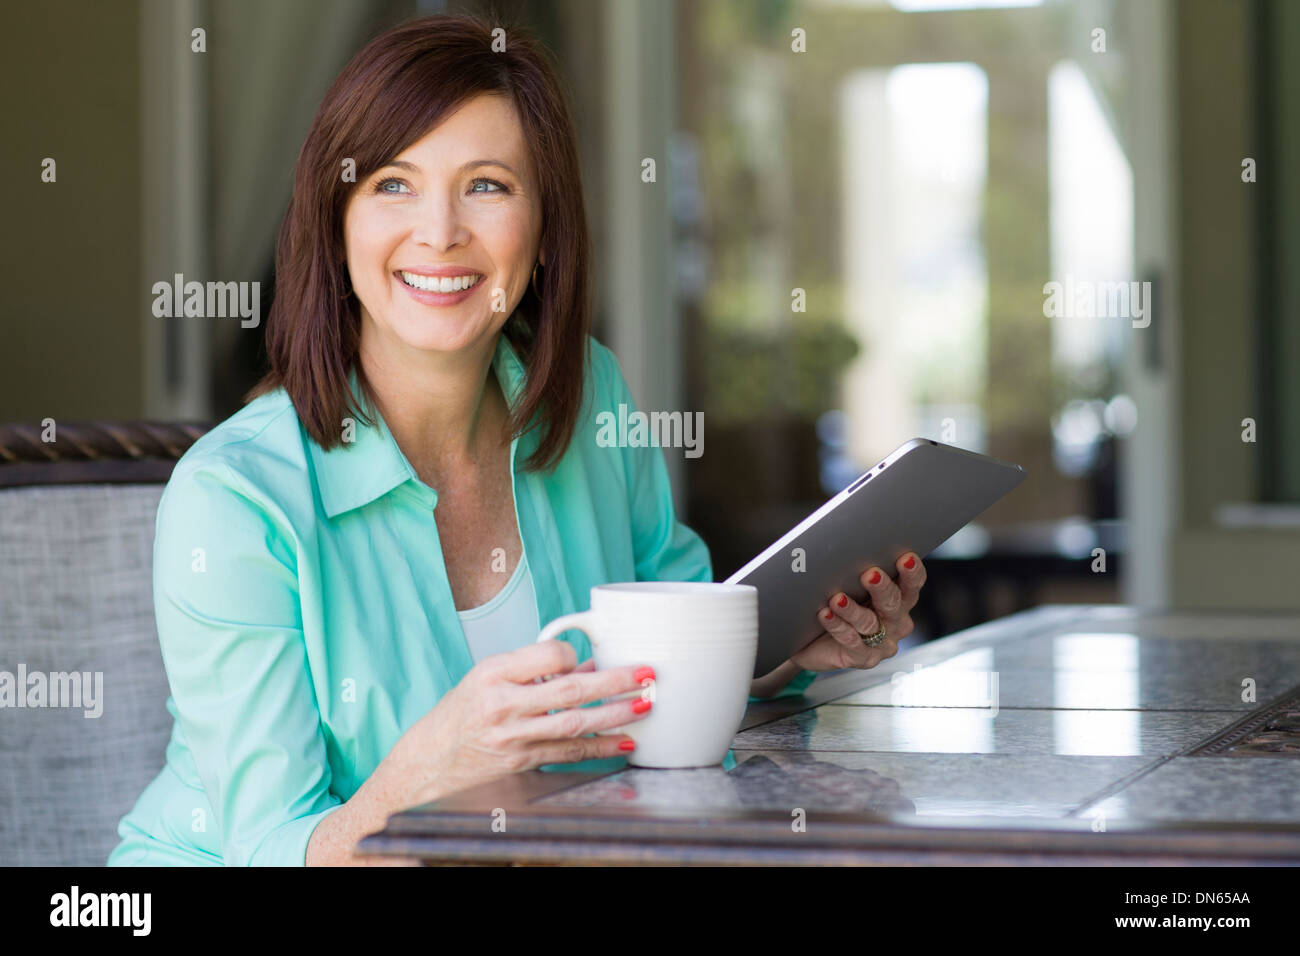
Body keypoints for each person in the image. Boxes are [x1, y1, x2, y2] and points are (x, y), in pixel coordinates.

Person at [108, 12, 927, 867]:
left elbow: (668, 666)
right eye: (392, 183)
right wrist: (429, 776)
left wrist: (786, 651)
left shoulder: (589, 394)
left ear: (543, 235)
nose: (439, 232)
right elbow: (275, 849)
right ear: (336, 219)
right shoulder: (234, 497)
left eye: (488, 185)